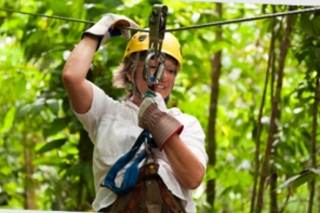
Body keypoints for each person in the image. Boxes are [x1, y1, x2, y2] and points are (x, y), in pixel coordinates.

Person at [62, 13, 208, 213]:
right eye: (154, 67)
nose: (163, 76)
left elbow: (193, 178)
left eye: (171, 70)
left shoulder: (186, 123)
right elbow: (72, 77)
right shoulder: (106, 113)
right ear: (130, 73)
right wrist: (101, 30)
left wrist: (160, 122)